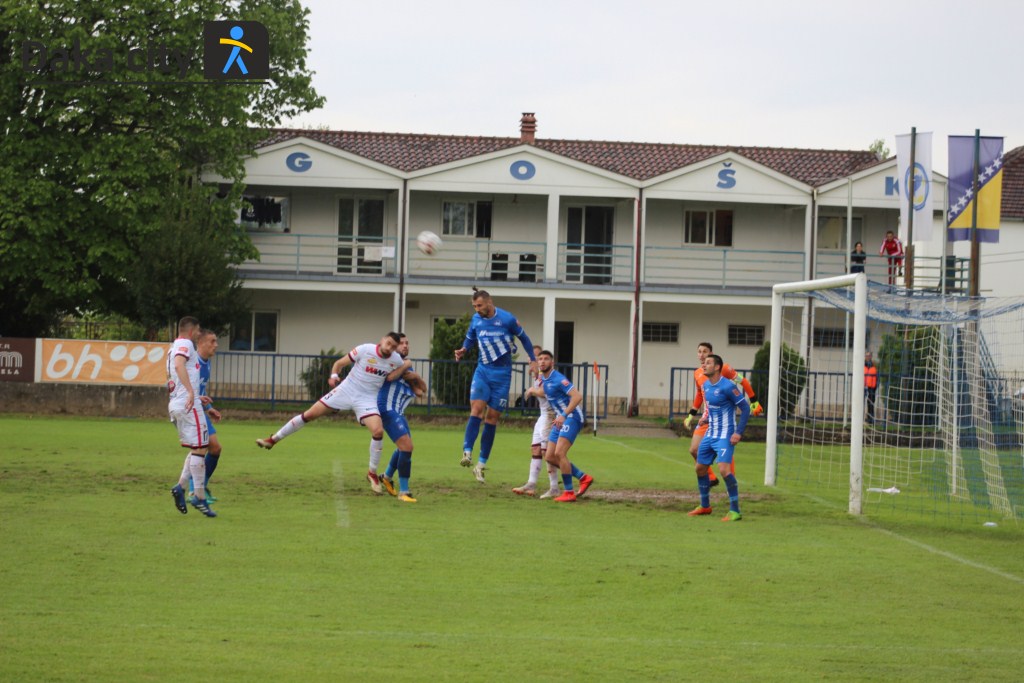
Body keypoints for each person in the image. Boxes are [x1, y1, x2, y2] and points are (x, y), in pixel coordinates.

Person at [255, 332, 411, 495]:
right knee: (309, 415)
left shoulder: (396, 360)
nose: (390, 348)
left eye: (393, 346)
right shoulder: (365, 349)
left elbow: (396, 377)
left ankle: (372, 473)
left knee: (378, 431)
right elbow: (339, 363)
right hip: (346, 390)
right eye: (388, 343)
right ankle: (273, 439)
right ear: (382, 340)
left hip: (367, 399)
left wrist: (406, 365)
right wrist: (334, 376)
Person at [455, 288, 537, 483]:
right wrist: (463, 349)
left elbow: (524, 338)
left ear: (489, 302)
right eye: (474, 306)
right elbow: (470, 337)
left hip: (502, 374)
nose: (477, 309)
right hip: (483, 371)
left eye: (479, 305)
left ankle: (481, 465)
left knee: (492, 418)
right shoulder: (476, 320)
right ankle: (467, 452)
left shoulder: (507, 319)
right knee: (476, 409)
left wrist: (533, 359)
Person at [683, 342, 761, 485]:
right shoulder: (697, 373)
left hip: (723, 419)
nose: (701, 355)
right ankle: (711, 477)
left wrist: (754, 401)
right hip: (707, 418)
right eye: (699, 352)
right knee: (694, 450)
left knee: (725, 453)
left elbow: (742, 381)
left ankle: (731, 483)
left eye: (705, 352)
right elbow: (700, 395)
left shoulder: (723, 368)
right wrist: (690, 415)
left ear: (711, 353)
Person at [688, 353, 751, 522]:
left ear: (717, 367)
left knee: (724, 470)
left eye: (708, 363)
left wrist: (738, 432)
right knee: (700, 468)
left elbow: (745, 408)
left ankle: (735, 511)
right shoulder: (707, 386)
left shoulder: (728, 386)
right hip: (710, 434)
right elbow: (716, 409)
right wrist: (705, 419)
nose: (704, 365)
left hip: (725, 435)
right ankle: (705, 506)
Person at [167, 316, 216, 518]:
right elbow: (179, 365)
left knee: (198, 447)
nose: (198, 334)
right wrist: (190, 392)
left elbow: (179, 369)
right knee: (201, 448)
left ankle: (181, 487)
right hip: (187, 404)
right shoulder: (185, 343)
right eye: (197, 330)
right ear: (191, 330)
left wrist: (196, 395)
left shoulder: (174, 346)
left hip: (181, 404)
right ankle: (199, 497)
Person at [534, 349, 594, 502]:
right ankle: (583, 477)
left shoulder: (558, 378)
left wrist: (564, 415)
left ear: (552, 362)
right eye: (540, 359)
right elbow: (545, 391)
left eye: (546, 359)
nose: (542, 361)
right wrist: (532, 390)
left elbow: (577, 396)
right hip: (560, 419)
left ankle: (569, 492)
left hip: (572, 417)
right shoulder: (545, 380)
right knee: (550, 457)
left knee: (560, 453)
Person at [374, 333, 427, 503]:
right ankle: (404, 491)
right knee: (406, 447)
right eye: (401, 343)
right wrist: (406, 365)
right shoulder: (391, 362)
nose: (405, 346)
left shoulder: (405, 366)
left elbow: (421, 391)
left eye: (407, 343)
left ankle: (387, 476)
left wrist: (416, 376)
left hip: (399, 412)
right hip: (387, 409)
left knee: (404, 448)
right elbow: (390, 377)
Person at [512, 345, 562, 498]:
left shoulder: (545, 375)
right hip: (542, 416)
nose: (531, 361)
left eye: (533, 358)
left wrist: (532, 391)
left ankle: (555, 486)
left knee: (547, 453)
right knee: (535, 449)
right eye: (531, 358)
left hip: (551, 415)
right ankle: (531, 483)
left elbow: (548, 392)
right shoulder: (536, 375)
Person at [189, 329, 223, 506]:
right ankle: (194, 489)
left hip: (200, 410)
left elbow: (200, 391)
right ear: (201, 343)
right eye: (212, 341)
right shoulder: (193, 363)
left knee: (215, 449)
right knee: (202, 448)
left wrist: (209, 408)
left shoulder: (206, 362)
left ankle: (199, 487)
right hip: (190, 411)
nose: (215, 345)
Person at [864, 351, 878, 425]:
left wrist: (875, 387)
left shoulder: (874, 366)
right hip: (863, 387)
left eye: (869, 356)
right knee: (861, 403)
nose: (868, 357)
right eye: (866, 356)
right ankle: (860, 418)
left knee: (870, 403)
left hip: (872, 388)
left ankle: (870, 418)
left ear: (871, 357)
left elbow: (876, 378)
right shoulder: (862, 365)